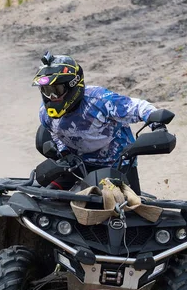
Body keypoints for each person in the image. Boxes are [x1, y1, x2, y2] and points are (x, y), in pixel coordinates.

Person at [32, 51, 161, 194]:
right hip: (77, 166)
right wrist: (63, 153)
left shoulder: (100, 100)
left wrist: (158, 126)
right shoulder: (45, 114)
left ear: (72, 85)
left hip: (117, 166)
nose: (51, 96)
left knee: (122, 208)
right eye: (46, 90)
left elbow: (139, 107)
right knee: (45, 197)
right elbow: (56, 134)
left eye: (56, 90)